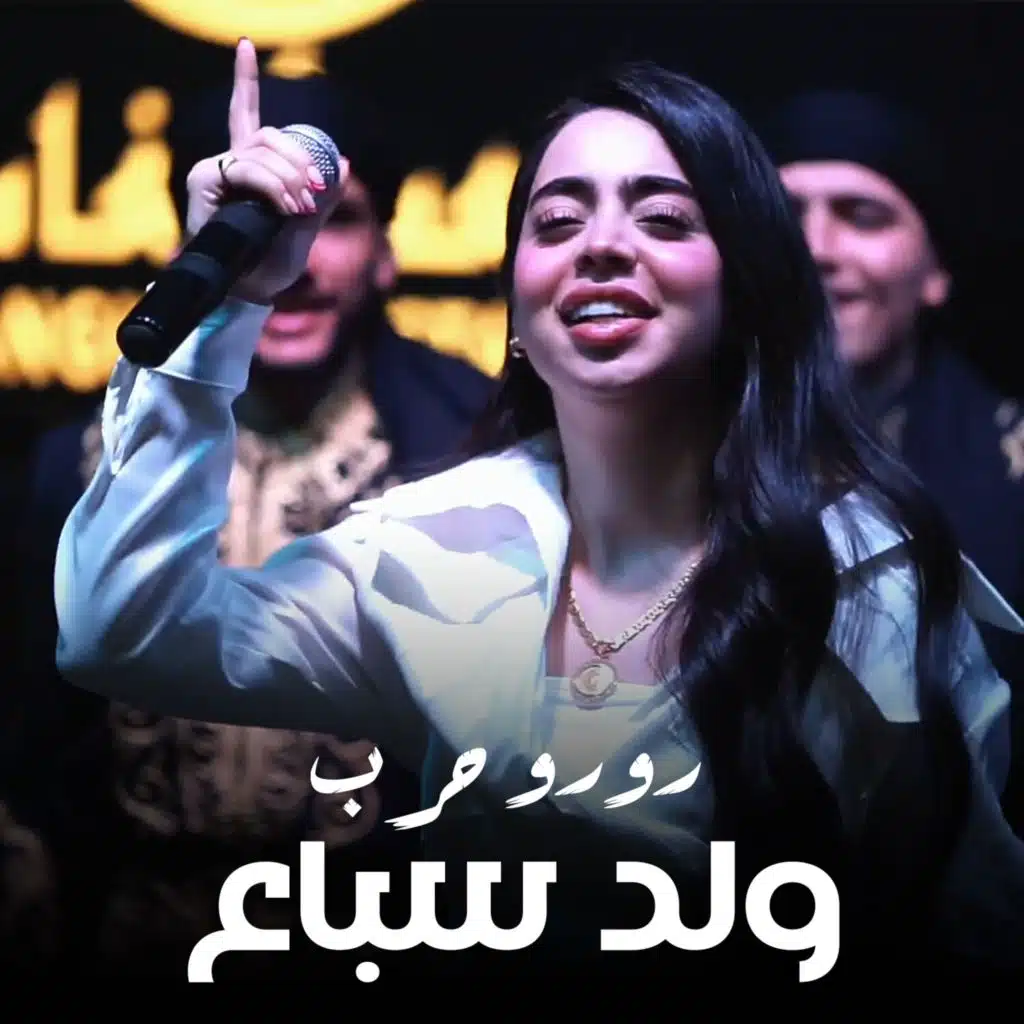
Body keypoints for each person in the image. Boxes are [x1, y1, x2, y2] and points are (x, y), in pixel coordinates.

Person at [53, 42, 1024, 986]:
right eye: (556, 222)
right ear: (516, 304)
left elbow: (971, 927)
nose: (601, 244)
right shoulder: (432, 552)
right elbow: (123, 635)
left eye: (664, 218)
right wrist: (223, 303)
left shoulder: (859, 577)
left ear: (743, 285)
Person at [13, 67, 494, 975]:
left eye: (334, 220)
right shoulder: (84, 463)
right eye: (256, 219)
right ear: (188, 241)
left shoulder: (470, 453)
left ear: (388, 251)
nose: (296, 260)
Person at [764, 90, 1024, 830]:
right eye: (785, 217)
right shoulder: (662, 458)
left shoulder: (1010, 475)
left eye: (863, 216)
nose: (817, 248)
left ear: (935, 271)